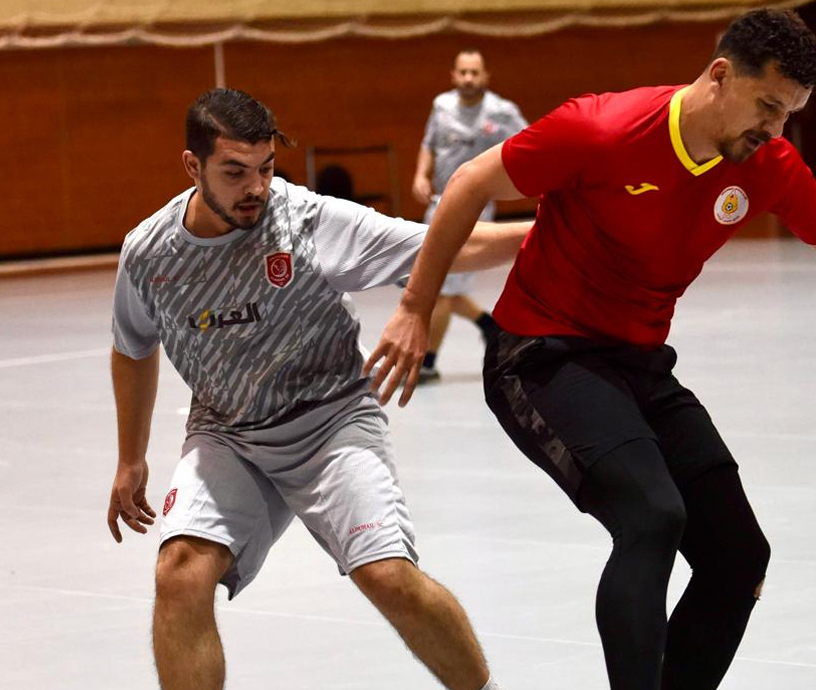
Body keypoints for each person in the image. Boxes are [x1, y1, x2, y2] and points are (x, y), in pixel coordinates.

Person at [365, 9, 816, 690]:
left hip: (638, 363)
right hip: (541, 354)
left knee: (738, 557)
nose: (777, 129)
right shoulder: (603, 128)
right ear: (720, 76)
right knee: (652, 517)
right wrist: (414, 307)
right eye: (768, 106)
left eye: (790, 114)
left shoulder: (767, 163)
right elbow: (468, 184)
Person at [107, 87, 526, 690]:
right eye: (235, 172)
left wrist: (546, 233)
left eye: (266, 168)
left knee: (387, 577)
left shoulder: (303, 220)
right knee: (180, 572)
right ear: (192, 167)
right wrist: (130, 459)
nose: (256, 187)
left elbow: (437, 243)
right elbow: (132, 347)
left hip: (330, 421)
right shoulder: (149, 253)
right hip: (228, 431)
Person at [410, 48, 529, 381]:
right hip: (437, 205)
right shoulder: (441, 105)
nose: (468, 79)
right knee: (435, 278)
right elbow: (428, 144)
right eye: (462, 72)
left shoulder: (502, 112)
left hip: (475, 212)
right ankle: (489, 325)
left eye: (474, 72)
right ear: (453, 75)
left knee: (442, 288)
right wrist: (420, 175)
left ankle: (428, 362)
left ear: (485, 76)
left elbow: (530, 144)